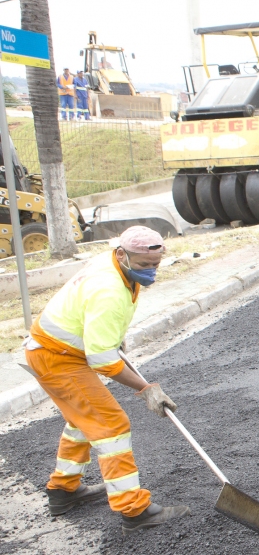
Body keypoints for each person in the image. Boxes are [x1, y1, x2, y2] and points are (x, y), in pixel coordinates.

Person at [24, 226, 189, 534]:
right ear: (123, 255)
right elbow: (101, 360)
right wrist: (145, 388)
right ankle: (133, 509)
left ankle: (63, 492)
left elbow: (96, 326)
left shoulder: (114, 263)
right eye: (143, 266)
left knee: (84, 419)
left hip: (59, 350)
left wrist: (112, 337)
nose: (151, 272)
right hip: (56, 358)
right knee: (111, 425)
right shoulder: (109, 289)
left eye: (156, 264)